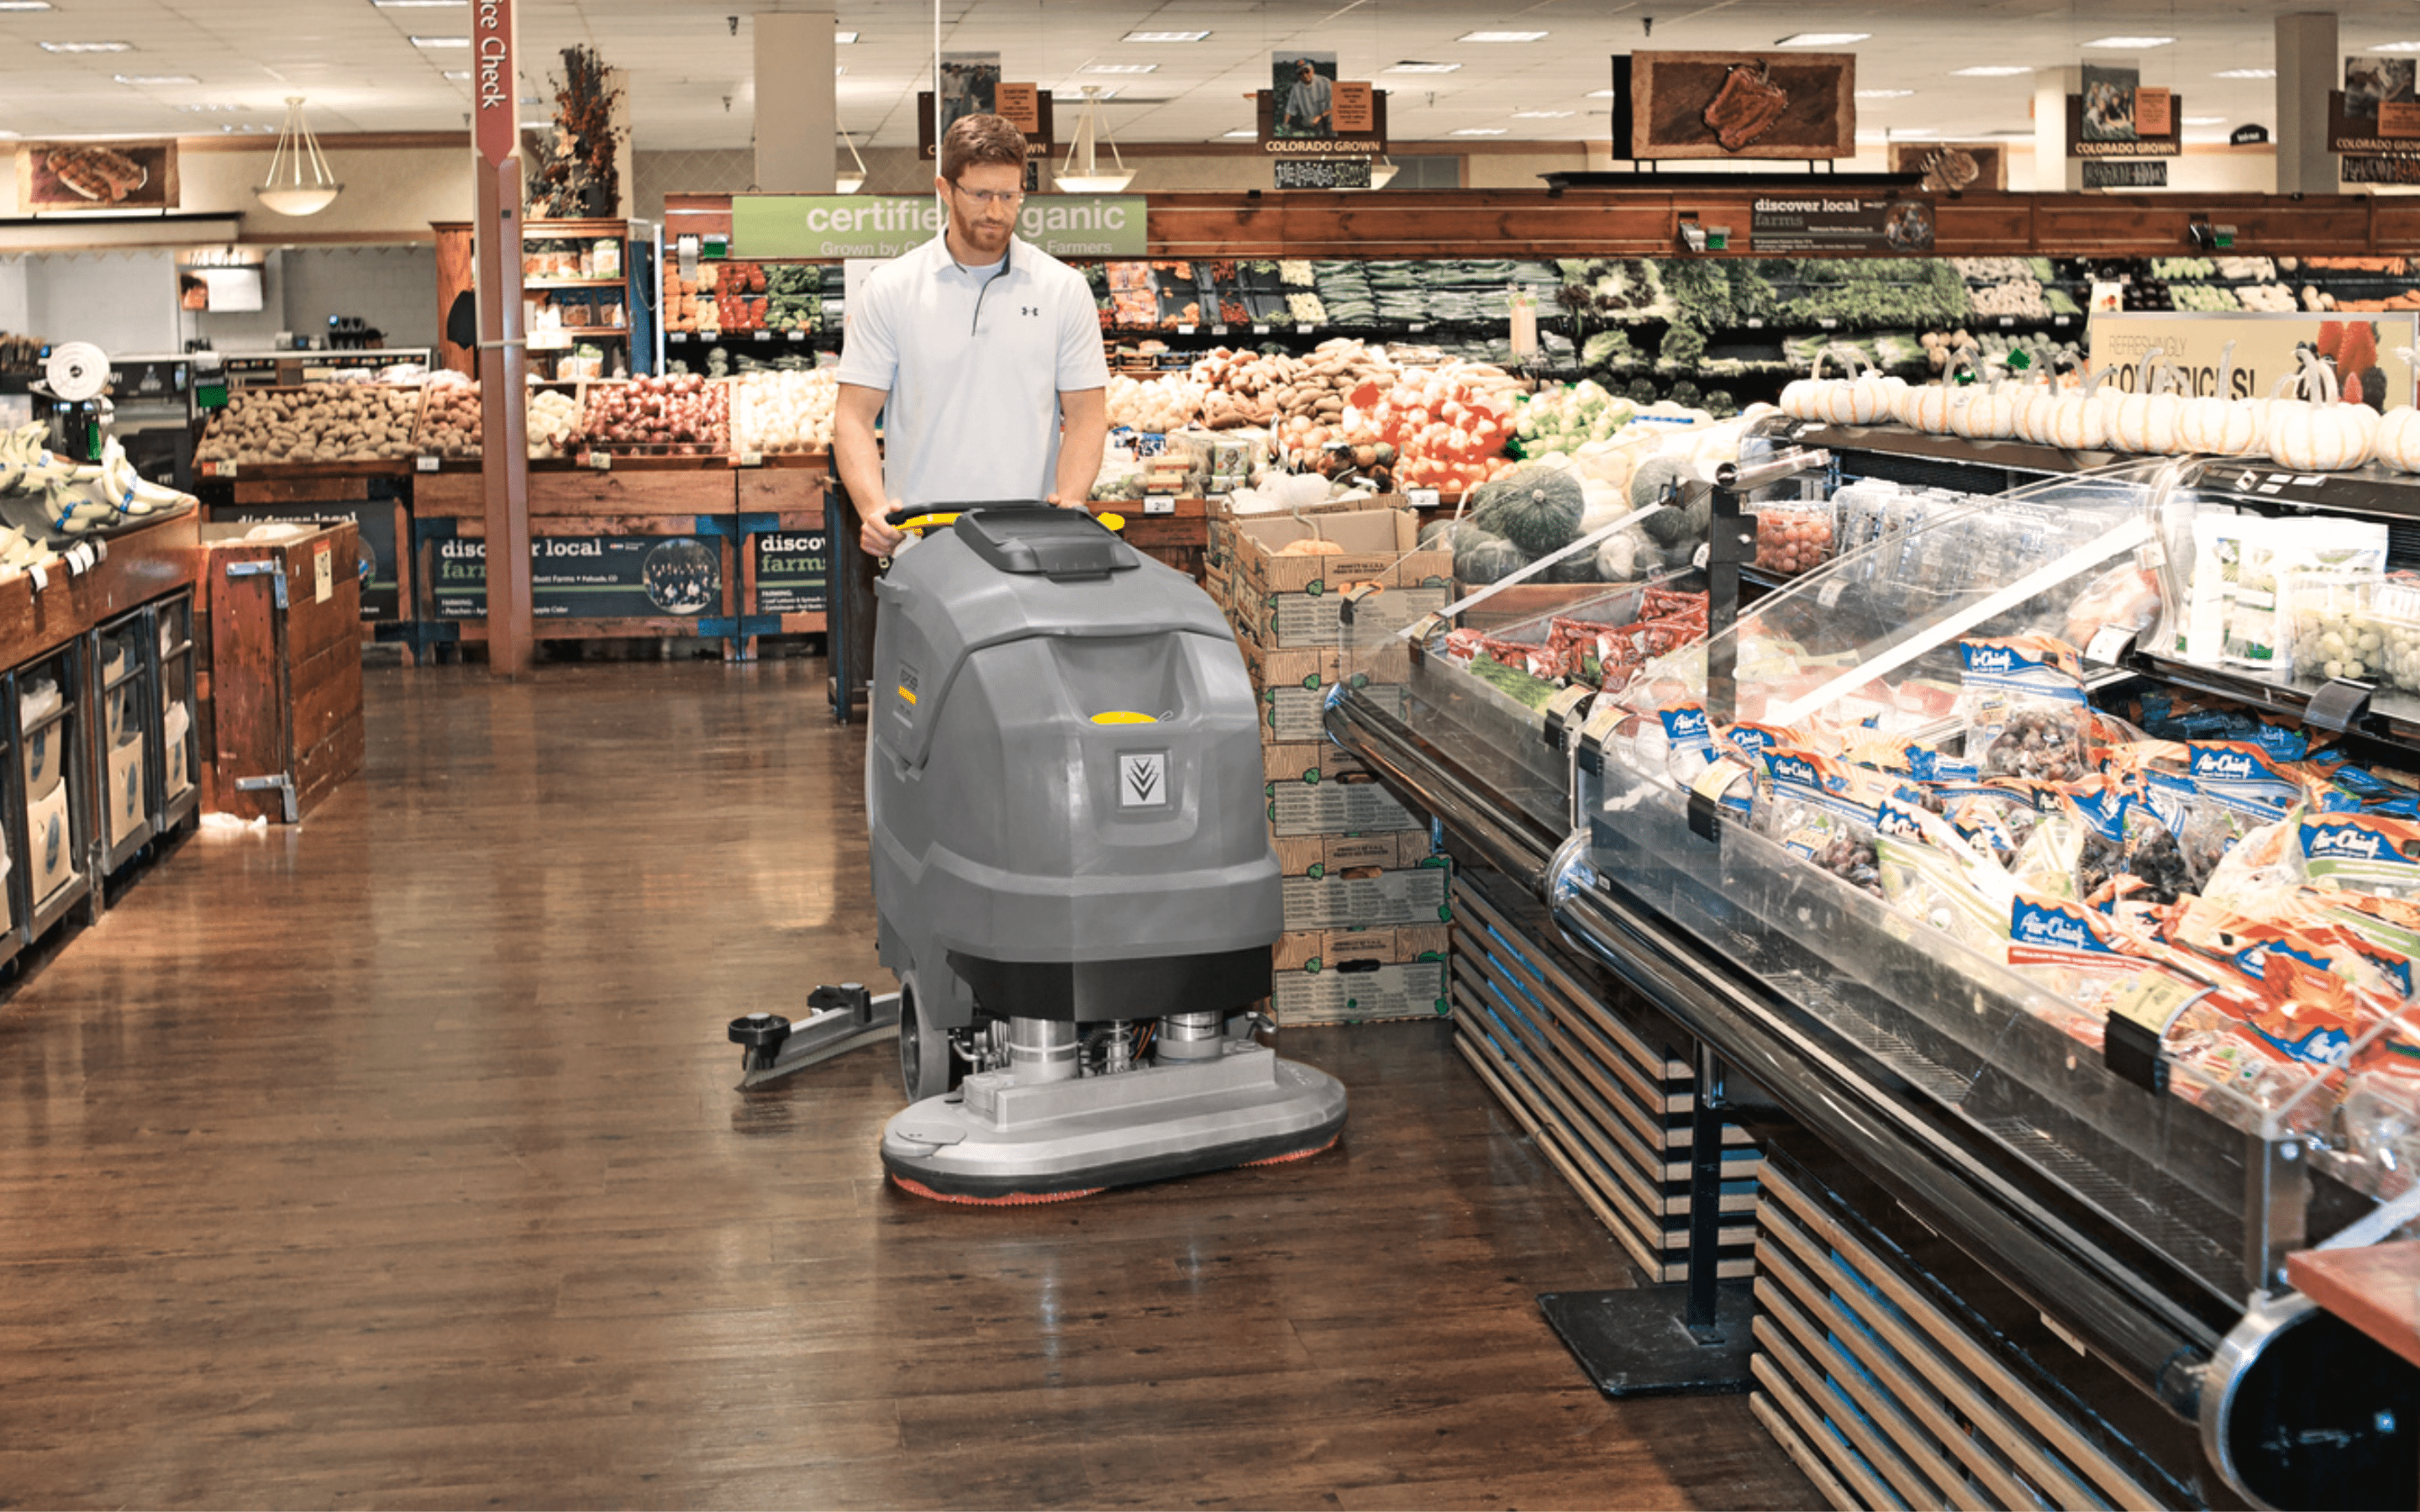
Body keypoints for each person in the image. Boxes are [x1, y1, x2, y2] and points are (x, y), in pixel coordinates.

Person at [835, 113, 1109, 557]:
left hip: (1031, 543)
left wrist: (1071, 500)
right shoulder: (892, 288)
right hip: (922, 544)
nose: (996, 211)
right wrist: (873, 509)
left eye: (1009, 195)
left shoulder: (1063, 289)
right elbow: (853, 417)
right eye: (981, 194)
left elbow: (1086, 417)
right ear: (945, 190)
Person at [1281, 60, 1334, 138]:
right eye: (1300, 73)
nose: (1305, 75)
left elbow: (1335, 106)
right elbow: (1289, 110)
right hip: (1311, 119)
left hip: (1327, 115)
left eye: (1307, 71)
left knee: (1332, 122)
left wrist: (1320, 117)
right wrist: (1285, 125)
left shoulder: (1325, 82)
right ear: (1298, 75)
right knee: (1315, 130)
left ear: (1312, 70)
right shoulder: (1296, 89)